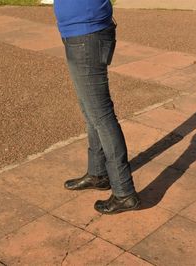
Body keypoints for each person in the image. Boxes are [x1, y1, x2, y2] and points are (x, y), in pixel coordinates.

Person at [53, 0, 140, 214]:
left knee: (100, 115)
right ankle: (98, 173)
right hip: (80, 30)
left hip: (87, 32)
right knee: (90, 110)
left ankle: (124, 192)